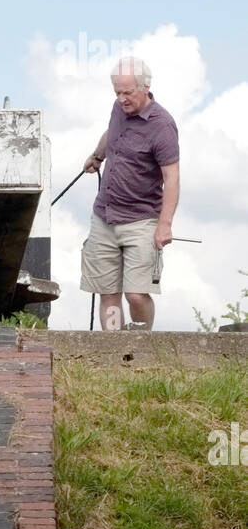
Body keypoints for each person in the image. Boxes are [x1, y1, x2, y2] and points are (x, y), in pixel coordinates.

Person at [80, 57, 180, 331]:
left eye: (128, 93)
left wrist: (165, 225)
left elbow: (172, 178)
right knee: (108, 292)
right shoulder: (118, 109)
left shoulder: (162, 126)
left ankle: (140, 344)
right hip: (105, 216)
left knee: (135, 294)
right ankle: (114, 347)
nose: (122, 99)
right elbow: (112, 132)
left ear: (145, 87)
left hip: (141, 220)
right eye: (117, 93)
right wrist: (98, 155)